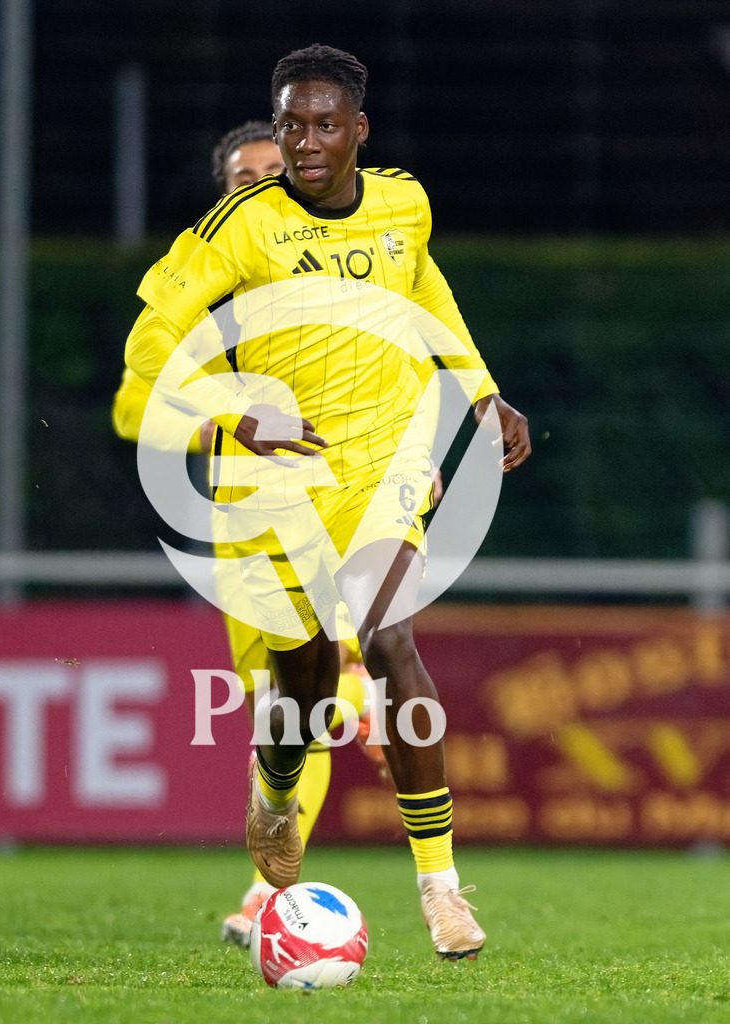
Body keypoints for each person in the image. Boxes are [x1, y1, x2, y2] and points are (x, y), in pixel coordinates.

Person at [122, 45, 531, 962]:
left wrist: (479, 390)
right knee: (302, 686)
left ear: (358, 131)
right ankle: (274, 791)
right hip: (279, 481)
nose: (305, 143)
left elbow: (427, 289)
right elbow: (150, 347)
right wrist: (233, 413)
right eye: (289, 125)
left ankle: (441, 890)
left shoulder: (403, 203)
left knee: (389, 638)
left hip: (385, 459)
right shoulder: (240, 226)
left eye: (323, 124)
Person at [113, 119, 384, 949]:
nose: (266, 182)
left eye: (279, 169)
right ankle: (276, 873)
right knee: (282, 710)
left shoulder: (343, 274)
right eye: (246, 176)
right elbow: (133, 408)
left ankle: (266, 895)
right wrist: (227, 427)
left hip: (342, 506)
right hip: (249, 519)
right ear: (225, 193)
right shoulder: (199, 297)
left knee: (318, 691)